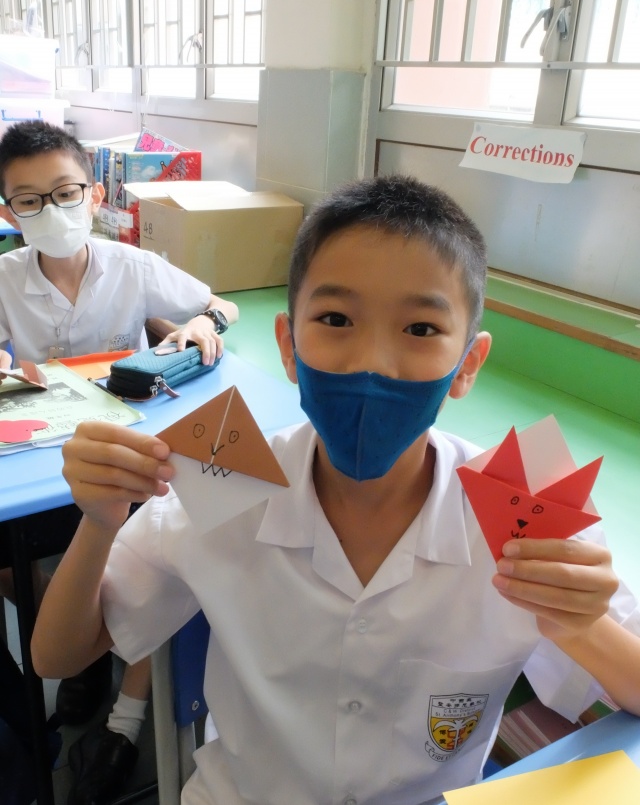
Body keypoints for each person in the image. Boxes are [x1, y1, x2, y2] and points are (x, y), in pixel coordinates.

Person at [32, 175, 640, 805]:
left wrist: (579, 625)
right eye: (336, 319)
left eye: (421, 329)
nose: (373, 361)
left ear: (468, 364)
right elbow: (56, 656)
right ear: (289, 347)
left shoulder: (526, 509)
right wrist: (99, 523)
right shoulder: (224, 481)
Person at [0, 119, 239, 804]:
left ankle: (125, 720)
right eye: (29, 200)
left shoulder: (133, 265)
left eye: (65, 192)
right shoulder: (4, 279)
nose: (51, 210)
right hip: (41, 463)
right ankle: (82, 642)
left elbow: (217, 304)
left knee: (164, 558)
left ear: (95, 191)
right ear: (9, 212)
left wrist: (202, 324)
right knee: (13, 559)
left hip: (128, 458)